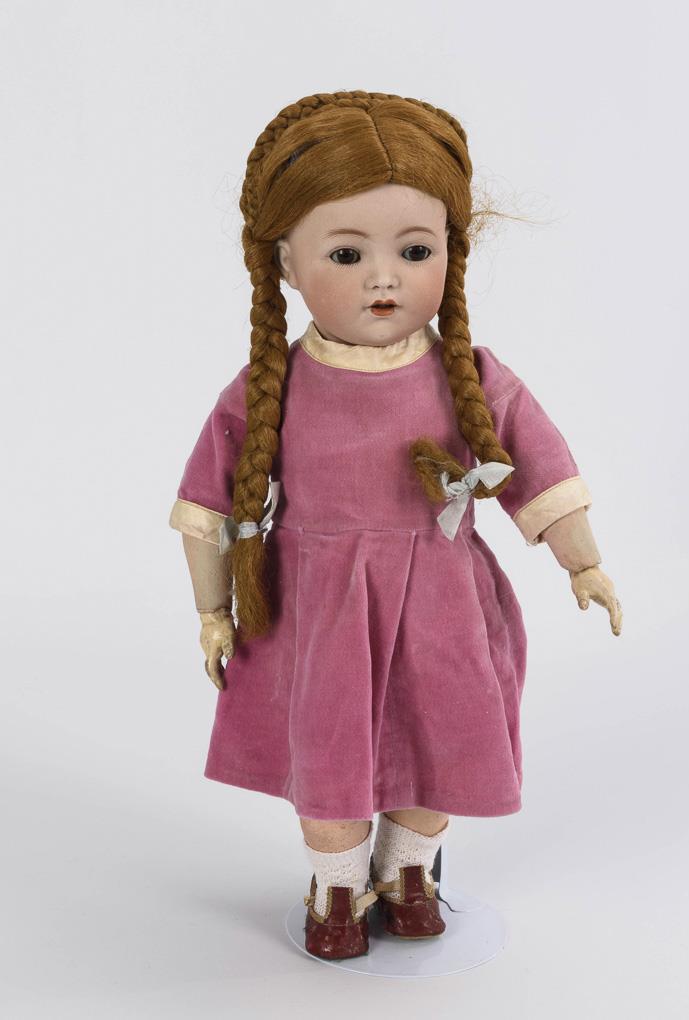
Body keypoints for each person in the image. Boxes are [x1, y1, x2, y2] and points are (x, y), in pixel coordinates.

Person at [169, 90, 622, 961]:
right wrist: (213, 610)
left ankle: (409, 871)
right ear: (285, 263)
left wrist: (583, 563)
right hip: (317, 612)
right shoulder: (271, 390)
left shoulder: (470, 378)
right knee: (329, 756)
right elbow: (208, 507)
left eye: (415, 250)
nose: (385, 277)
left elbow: (540, 466)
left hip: (442, 602)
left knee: (441, 739)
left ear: (453, 250)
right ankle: (337, 885)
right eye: (347, 253)